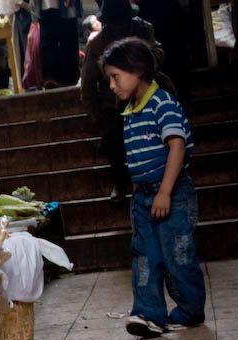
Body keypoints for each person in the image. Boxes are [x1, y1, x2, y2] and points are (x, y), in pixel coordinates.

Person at [100, 37, 205, 338]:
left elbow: (177, 147)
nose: (111, 85)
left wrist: (165, 192)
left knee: (177, 254)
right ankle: (148, 314)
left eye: (115, 77)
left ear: (138, 69)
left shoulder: (163, 103)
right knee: (145, 254)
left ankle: (189, 311)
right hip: (143, 195)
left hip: (172, 192)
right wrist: (141, 190)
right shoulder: (130, 111)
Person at [81, 0, 158, 201]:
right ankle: (119, 182)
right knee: (113, 134)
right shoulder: (97, 43)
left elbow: (158, 58)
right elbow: (88, 83)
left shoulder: (143, 30)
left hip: (145, 95)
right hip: (113, 102)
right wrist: (95, 115)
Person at [30, 0, 84, 88]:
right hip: (45, 6)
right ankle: (51, 78)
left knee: (69, 44)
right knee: (48, 43)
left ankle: (68, 82)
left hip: (66, 9)